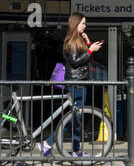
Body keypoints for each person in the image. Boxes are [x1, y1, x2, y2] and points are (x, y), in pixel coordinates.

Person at [42, 13, 103, 158]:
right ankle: (48, 143)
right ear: (75, 24)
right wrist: (90, 50)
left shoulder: (77, 40)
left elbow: (84, 61)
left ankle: (75, 150)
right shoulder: (71, 41)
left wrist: (88, 44)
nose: (85, 26)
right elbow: (75, 61)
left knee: (76, 119)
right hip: (77, 84)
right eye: (82, 23)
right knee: (74, 119)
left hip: (79, 83)